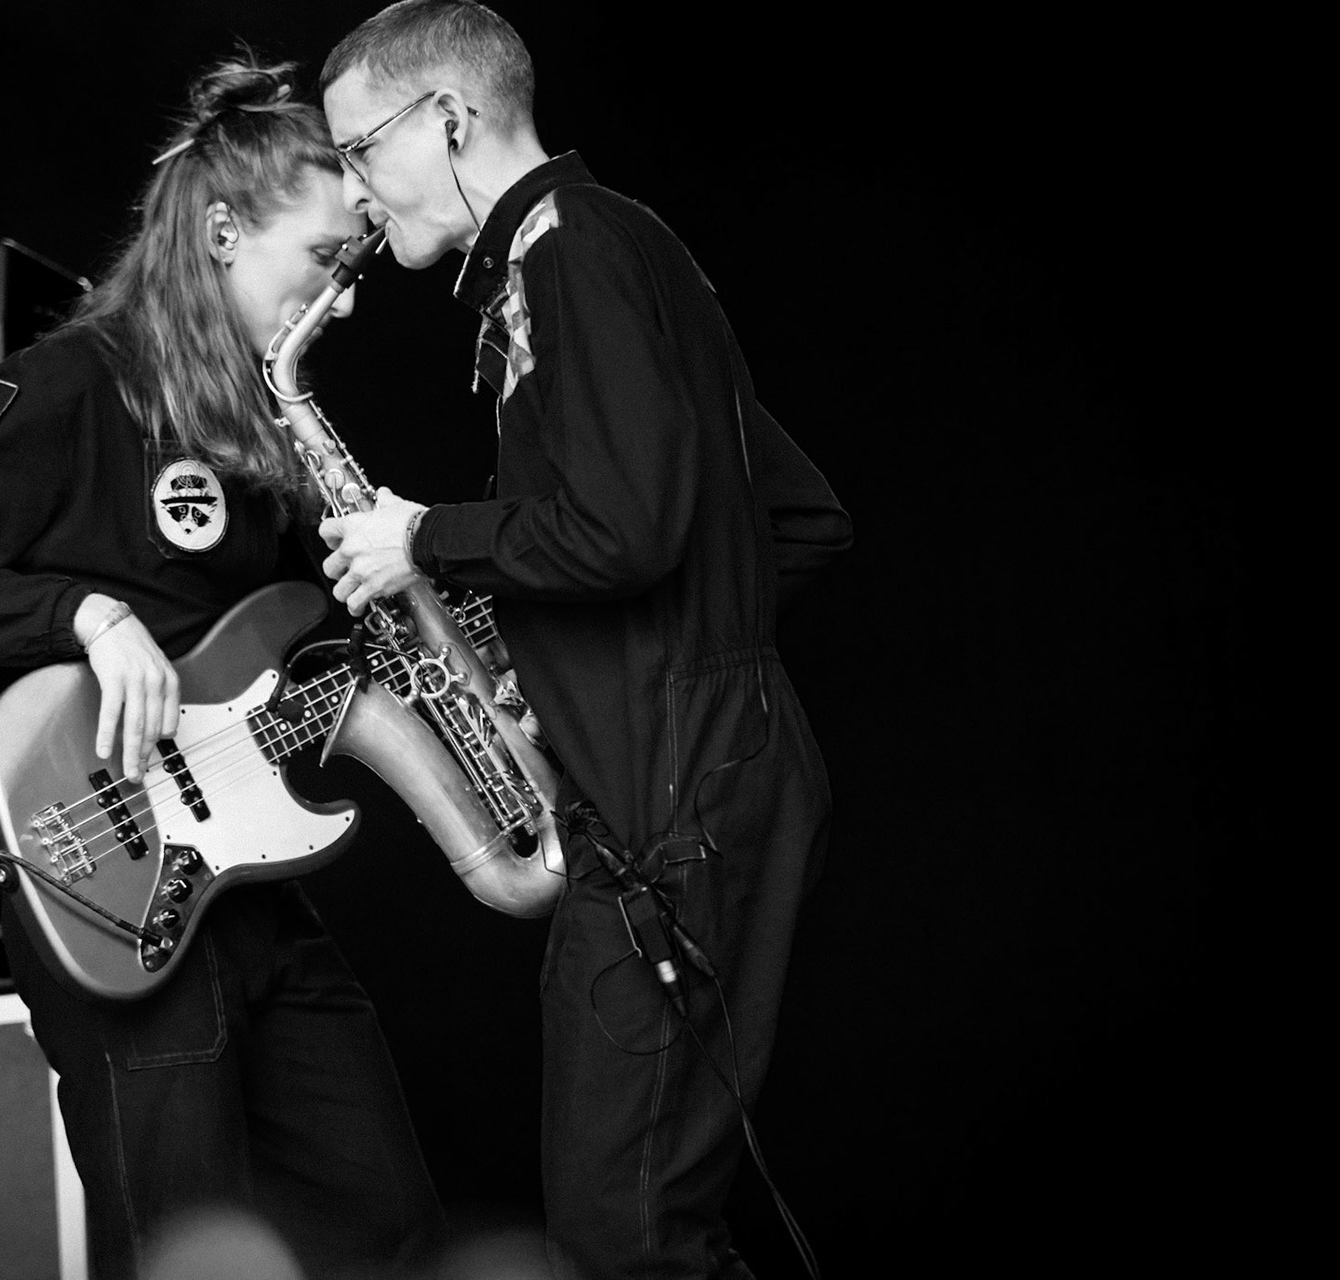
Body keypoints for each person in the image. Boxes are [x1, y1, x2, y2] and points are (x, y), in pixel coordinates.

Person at [0, 54, 442, 1280]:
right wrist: (88, 616)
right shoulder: (73, 382)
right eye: (327, 262)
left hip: (249, 881)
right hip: (113, 878)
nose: (346, 300)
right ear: (221, 231)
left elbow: (277, 647)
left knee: (383, 1217)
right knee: (182, 1242)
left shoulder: (261, 421)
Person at [313, 4, 853, 1277]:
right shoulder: (623, 246)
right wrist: (621, 656)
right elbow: (799, 519)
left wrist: (425, 539)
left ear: (449, 116)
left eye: (358, 149)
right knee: (640, 1223)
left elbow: (625, 528)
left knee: (628, 1231)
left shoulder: (568, 253)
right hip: (684, 767)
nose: (351, 193)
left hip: (676, 783)